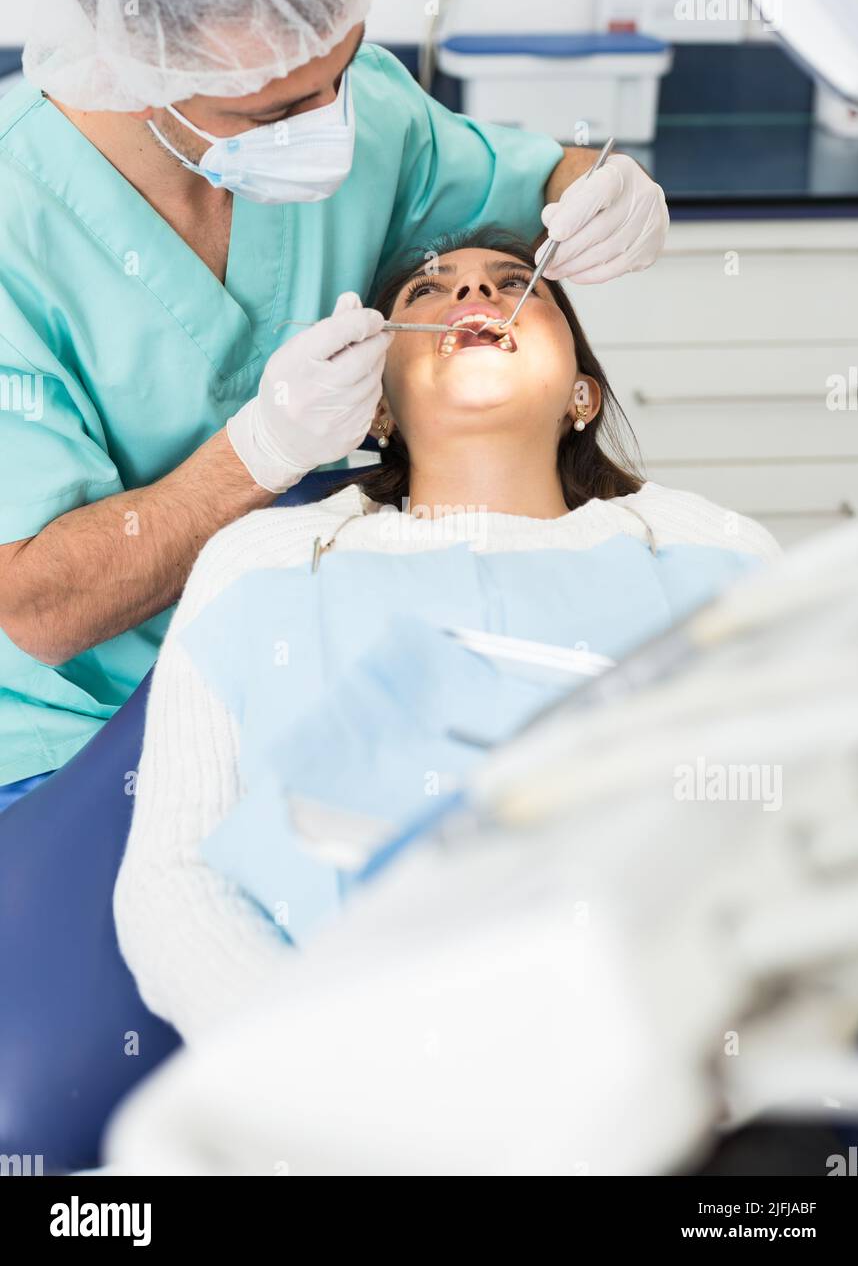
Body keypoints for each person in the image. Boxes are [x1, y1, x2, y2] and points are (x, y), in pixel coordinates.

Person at [0, 0, 670, 806]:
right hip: (72, 735)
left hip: (300, 688)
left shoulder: (674, 553)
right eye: (273, 114)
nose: (327, 128)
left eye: (340, 73)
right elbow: (32, 606)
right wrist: (260, 453)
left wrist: (602, 186)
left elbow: (533, 182)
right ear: (137, 68)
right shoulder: (18, 221)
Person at [114, 230, 781, 1043]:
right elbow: (172, 882)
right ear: (379, 406)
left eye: (515, 284)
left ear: (584, 394)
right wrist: (322, 1068)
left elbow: (796, 831)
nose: (474, 297)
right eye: (429, 291)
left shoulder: (716, 551)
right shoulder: (264, 563)